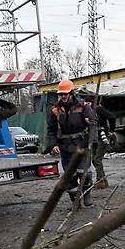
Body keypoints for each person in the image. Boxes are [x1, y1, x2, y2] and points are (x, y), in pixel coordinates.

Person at [47, 79, 94, 207]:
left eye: (65, 93)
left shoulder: (83, 106)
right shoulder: (55, 110)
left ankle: (87, 193)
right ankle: (75, 202)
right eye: (61, 94)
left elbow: (93, 125)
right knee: (70, 177)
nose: (63, 96)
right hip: (65, 147)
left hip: (82, 145)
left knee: (84, 173)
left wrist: (91, 137)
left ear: (71, 93)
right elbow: (51, 130)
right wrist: (53, 144)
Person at [92, 102, 116, 189]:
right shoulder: (87, 111)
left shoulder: (98, 109)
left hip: (103, 138)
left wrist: (112, 130)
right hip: (94, 138)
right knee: (94, 159)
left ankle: (101, 181)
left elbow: (112, 117)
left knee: (97, 159)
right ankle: (102, 180)